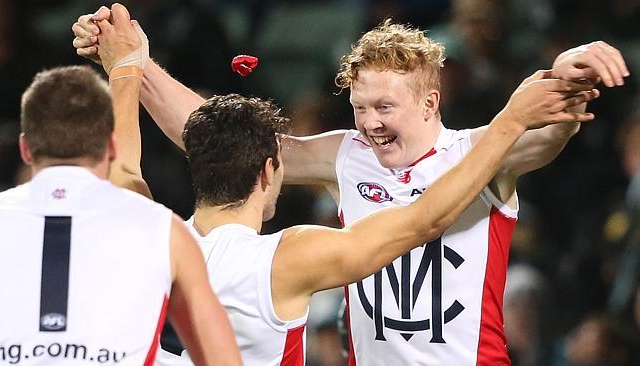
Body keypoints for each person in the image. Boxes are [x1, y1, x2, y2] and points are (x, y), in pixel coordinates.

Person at [73, 5, 603, 365]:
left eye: (384, 107)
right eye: (360, 107)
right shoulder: (346, 155)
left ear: (429, 103)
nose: (370, 122)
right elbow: (224, 141)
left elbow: (550, 127)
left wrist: (563, 73)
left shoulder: (483, 152)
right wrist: (136, 65)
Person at [0, 7, 242, 366]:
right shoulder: (160, 230)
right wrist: (126, 66)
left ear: (25, 149)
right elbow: (222, 360)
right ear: (108, 146)